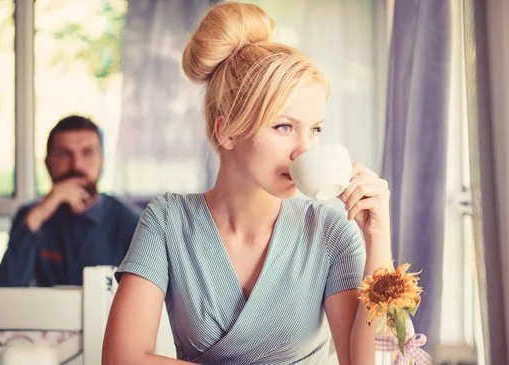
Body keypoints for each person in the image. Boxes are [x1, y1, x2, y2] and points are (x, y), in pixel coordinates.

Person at [102, 3, 391, 364]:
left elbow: (365, 362)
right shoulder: (167, 222)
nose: (305, 150)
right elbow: (121, 359)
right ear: (227, 132)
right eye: (284, 126)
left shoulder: (331, 233)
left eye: (315, 129)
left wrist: (378, 239)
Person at [0, 115, 140, 287]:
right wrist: (37, 216)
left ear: (102, 161)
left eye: (87, 153)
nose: (76, 165)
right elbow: (3, 291)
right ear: (47, 163)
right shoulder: (32, 217)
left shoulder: (131, 223)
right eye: (64, 154)